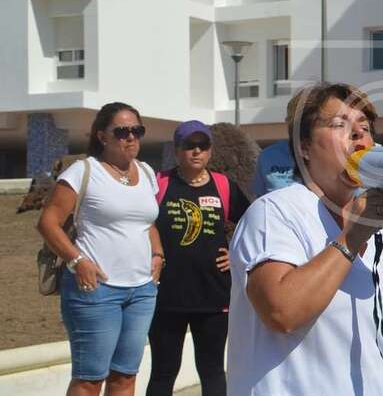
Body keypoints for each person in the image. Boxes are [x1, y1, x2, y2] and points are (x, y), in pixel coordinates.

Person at [227, 82, 383, 395]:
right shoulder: (274, 212)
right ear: (303, 146)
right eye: (339, 125)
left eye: (365, 126)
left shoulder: (375, 234)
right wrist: (351, 240)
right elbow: (282, 312)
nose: (359, 134)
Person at [37, 102, 162, 396]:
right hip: (96, 291)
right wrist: (78, 260)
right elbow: (48, 223)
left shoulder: (146, 172)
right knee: (90, 379)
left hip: (142, 290)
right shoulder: (84, 171)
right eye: (121, 131)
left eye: (137, 130)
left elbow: (147, 223)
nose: (130, 137)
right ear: (102, 136)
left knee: (126, 376)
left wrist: (157, 254)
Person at [146, 120, 250, 396]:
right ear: (177, 150)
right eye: (188, 146)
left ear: (210, 151)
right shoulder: (159, 184)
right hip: (166, 296)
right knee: (163, 371)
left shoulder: (224, 186)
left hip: (213, 296)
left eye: (202, 146)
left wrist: (237, 255)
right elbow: (141, 223)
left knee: (212, 370)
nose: (196, 152)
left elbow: (252, 223)